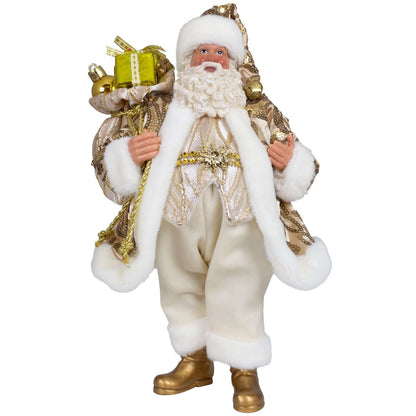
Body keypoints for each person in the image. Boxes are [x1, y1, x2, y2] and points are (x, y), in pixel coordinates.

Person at [91, 5, 331, 413]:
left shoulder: (257, 110)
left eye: (220, 53)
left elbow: (296, 157)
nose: (211, 59)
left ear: (234, 64)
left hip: (242, 214)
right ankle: (194, 358)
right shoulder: (159, 108)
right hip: (174, 214)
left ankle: (243, 365)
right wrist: (128, 155)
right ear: (187, 60)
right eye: (202, 51)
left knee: (240, 281)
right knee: (179, 280)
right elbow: (112, 156)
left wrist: (290, 162)